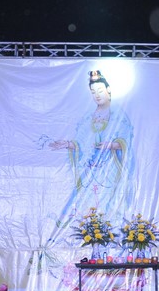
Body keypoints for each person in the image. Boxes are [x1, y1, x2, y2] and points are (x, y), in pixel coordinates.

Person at [48, 70, 134, 235]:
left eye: (100, 90)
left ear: (108, 90)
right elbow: (81, 142)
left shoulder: (118, 116)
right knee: (89, 204)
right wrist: (68, 144)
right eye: (93, 92)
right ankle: (91, 234)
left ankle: (109, 233)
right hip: (90, 170)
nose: (97, 95)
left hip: (110, 170)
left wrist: (112, 145)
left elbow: (126, 141)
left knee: (109, 203)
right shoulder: (88, 117)